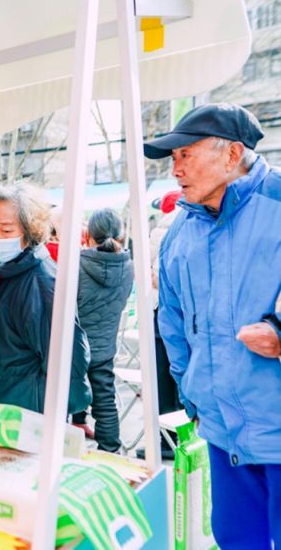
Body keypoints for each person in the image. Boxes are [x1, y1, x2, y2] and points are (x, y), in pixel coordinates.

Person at [148, 103, 281, 547]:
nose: (176, 169)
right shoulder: (178, 234)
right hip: (223, 435)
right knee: (236, 539)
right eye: (173, 159)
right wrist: (193, 394)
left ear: (231, 154)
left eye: (186, 154)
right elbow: (172, 324)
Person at [0, 184, 91, 414]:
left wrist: (52, 415)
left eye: (6, 230)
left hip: (26, 413)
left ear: (29, 231)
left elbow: (68, 361)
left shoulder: (41, 282)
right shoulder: (2, 271)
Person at [71, 209, 133, 452]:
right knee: (105, 399)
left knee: (66, 391)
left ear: (87, 234)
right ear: (122, 234)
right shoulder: (129, 267)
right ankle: (110, 448)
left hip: (75, 345)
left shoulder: (76, 263)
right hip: (105, 346)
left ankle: (69, 439)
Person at [139, 189, 183, 460]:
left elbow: (147, 274)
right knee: (180, 376)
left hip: (160, 313)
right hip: (184, 315)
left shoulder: (160, 231)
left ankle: (168, 439)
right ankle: (184, 436)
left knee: (164, 377)